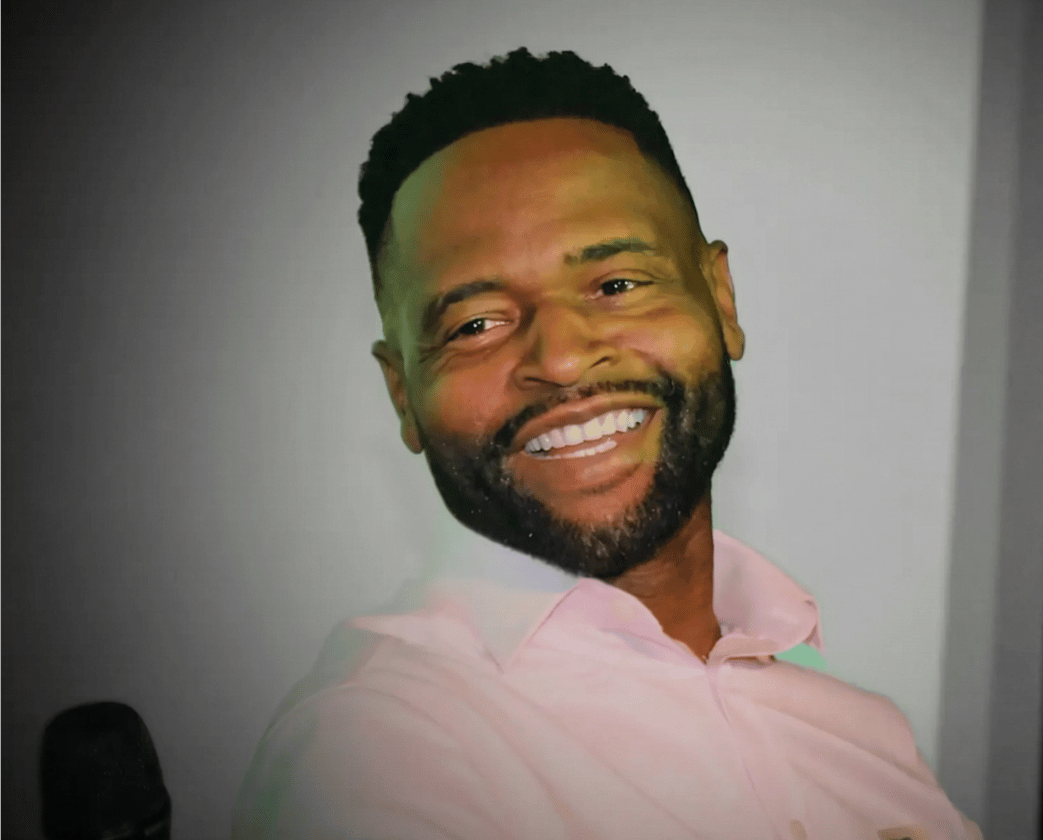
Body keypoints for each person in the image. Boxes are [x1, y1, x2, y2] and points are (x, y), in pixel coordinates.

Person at [232, 47, 983, 840]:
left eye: (616, 285)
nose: (560, 359)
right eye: (475, 325)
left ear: (721, 299)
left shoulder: (867, 738)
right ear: (402, 394)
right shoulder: (375, 753)